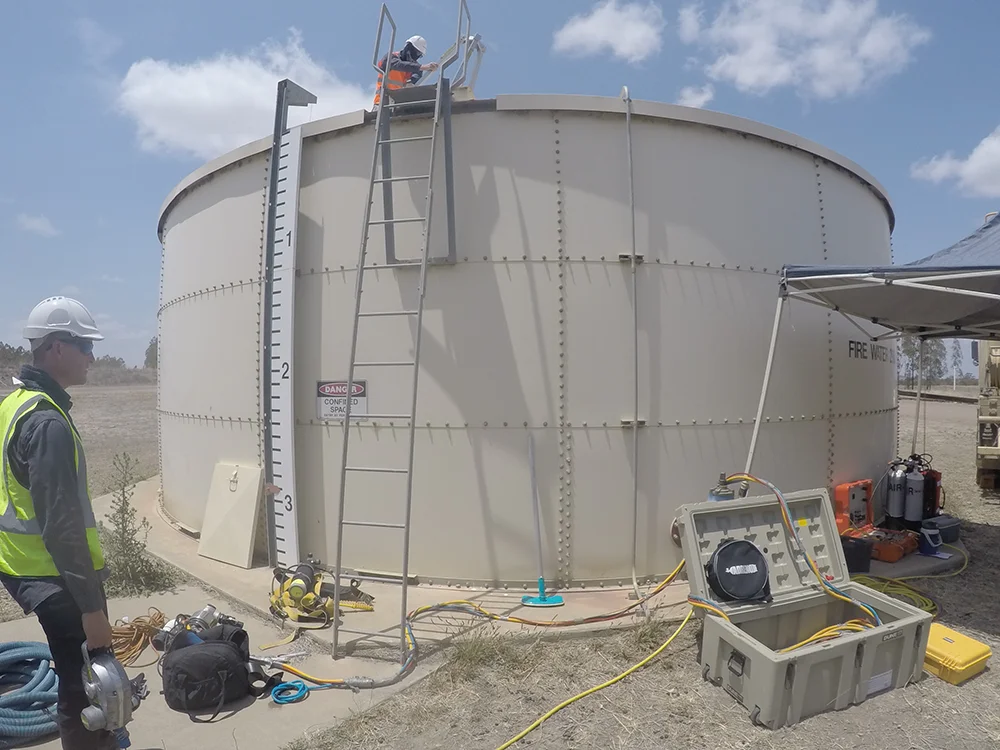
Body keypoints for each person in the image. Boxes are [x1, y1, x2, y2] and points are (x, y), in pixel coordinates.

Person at [0, 296, 114, 750]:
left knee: (78, 674)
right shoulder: (47, 421)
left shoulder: (16, 404)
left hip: (25, 567)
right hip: (55, 576)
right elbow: (62, 528)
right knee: (84, 681)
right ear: (57, 347)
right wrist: (92, 608)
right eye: (84, 345)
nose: (91, 356)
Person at [373, 34, 439, 108]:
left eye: (419, 55)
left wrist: (411, 82)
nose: (416, 56)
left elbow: (415, 76)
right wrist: (423, 67)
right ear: (408, 47)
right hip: (381, 103)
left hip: (397, 105)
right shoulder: (390, 58)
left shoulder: (415, 69)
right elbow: (399, 65)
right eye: (417, 53)